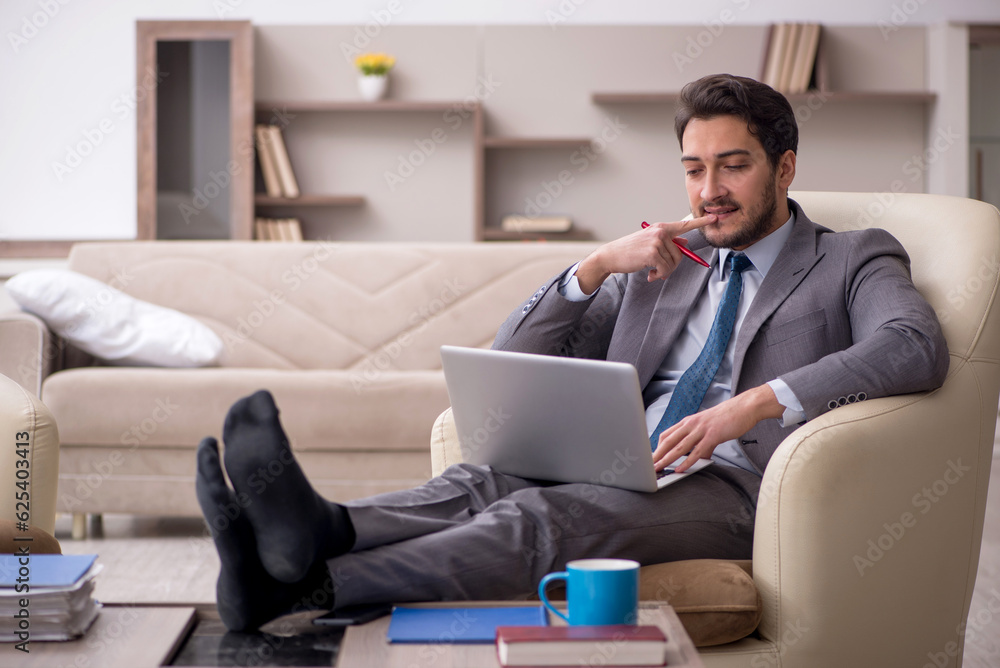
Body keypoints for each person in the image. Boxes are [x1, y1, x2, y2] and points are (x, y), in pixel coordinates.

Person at [195, 73, 949, 632]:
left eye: (734, 164)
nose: (709, 189)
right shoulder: (662, 264)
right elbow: (515, 356)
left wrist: (753, 403)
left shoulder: (851, 256)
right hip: (624, 455)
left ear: (784, 168)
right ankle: (316, 533)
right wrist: (594, 268)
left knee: (537, 518)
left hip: (732, 485)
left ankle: (308, 582)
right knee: (480, 479)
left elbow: (913, 346)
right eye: (693, 168)